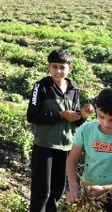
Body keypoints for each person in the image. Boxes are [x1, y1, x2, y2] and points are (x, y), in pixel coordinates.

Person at [26, 49, 94, 212]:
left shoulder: (73, 89)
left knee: (56, 193)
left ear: (70, 68)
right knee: (41, 193)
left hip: (65, 148)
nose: (58, 71)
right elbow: (32, 116)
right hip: (45, 146)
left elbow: (75, 122)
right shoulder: (40, 87)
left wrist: (82, 116)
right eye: (54, 66)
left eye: (62, 67)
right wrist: (60, 115)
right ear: (48, 67)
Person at [66, 88, 112, 211]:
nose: (106, 123)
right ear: (96, 108)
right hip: (89, 193)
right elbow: (72, 159)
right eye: (101, 117)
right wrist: (73, 186)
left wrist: (105, 188)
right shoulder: (86, 130)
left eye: (111, 120)